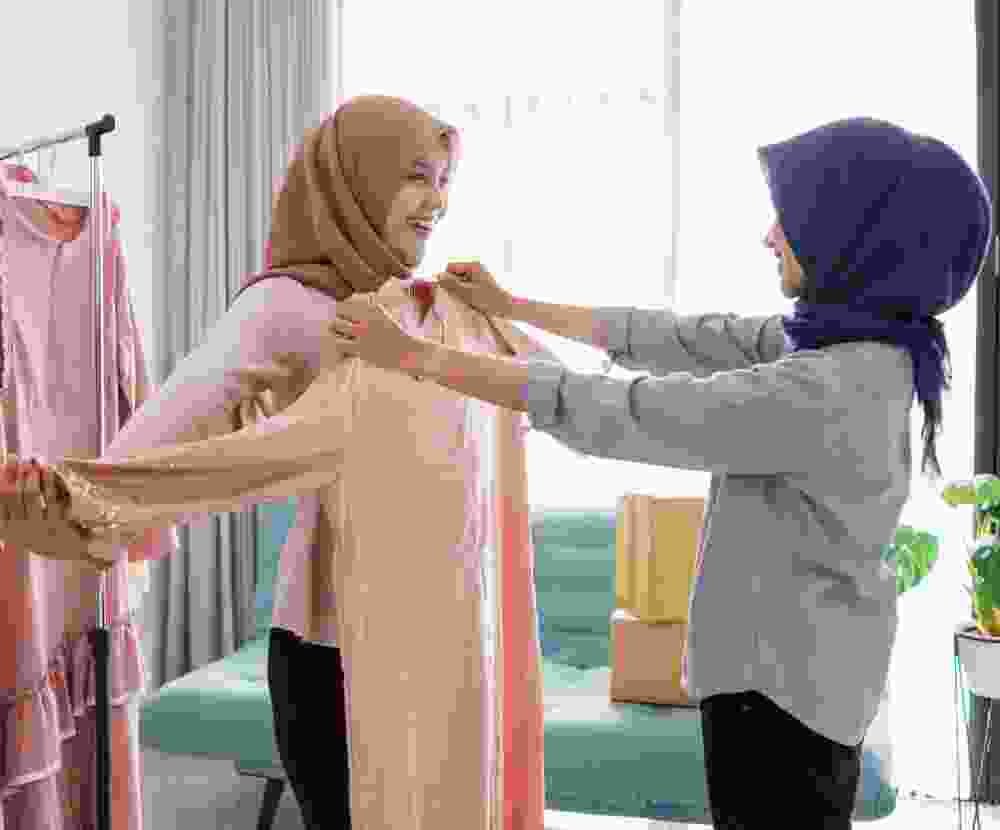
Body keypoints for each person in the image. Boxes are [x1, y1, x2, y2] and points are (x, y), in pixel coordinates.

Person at [316, 116, 989, 828]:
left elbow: (628, 412)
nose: (769, 236)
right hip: (801, 685)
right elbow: (684, 338)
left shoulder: (829, 389)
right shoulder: (854, 350)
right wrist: (512, 309)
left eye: (790, 221)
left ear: (854, 239)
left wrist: (417, 357)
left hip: (784, 700)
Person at [0, 95, 552, 830]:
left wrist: (513, 314)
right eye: (417, 177)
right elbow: (165, 433)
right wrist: (71, 497)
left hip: (444, 650)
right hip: (336, 651)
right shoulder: (290, 306)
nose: (438, 203)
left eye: (445, 182)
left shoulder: (435, 315)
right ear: (358, 178)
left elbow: (550, 391)